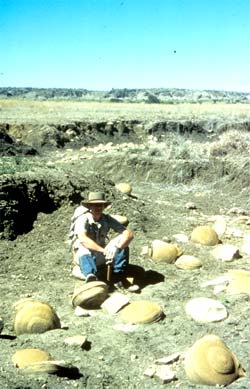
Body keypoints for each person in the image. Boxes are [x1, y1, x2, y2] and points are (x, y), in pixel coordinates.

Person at [73, 191, 134, 286]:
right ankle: (91, 277)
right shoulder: (83, 219)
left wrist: (116, 246)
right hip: (85, 257)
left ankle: (118, 277)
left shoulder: (106, 218)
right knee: (83, 247)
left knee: (123, 243)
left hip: (101, 255)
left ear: (104, 207)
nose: (98, 208)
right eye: (95, 205)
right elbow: (83, 239)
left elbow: (128, 234)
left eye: (100, 205)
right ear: (90, 207)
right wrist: (104, 251)